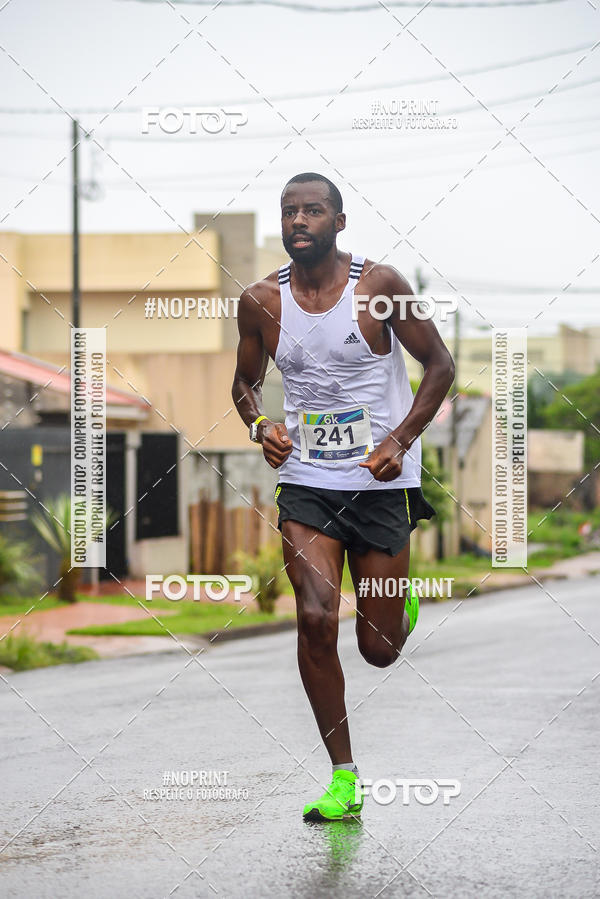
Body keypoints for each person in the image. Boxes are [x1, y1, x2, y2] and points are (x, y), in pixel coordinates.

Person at [231, 172, 455, 821]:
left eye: (313, 210)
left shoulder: (379, 287)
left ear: (339, 220)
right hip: (309, 482)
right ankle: (344, 777)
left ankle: (396, 607)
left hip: (381, 482)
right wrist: (259, 425)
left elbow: (438, 365)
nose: (299, 220)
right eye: (289, 211)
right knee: (315, 614)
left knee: (377, 649)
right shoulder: (259, 301)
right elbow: (243, 384)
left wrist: (401, 437)